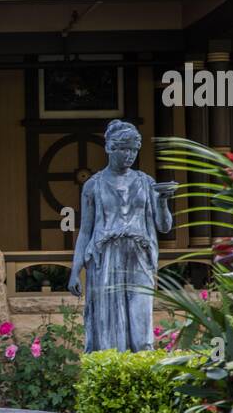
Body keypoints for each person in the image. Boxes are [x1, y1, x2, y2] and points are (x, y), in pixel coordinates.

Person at [69, 120, 176, 352]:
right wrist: (75, 271)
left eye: (134, 150)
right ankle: (111, 375)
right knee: (107, 326)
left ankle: (142, 373)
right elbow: (85, 231)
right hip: (105, 257)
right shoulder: (93, 186)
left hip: (139, 254)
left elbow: (164, 226)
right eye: (124, 149)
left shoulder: (147, 183)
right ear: (109, 148)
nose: (129, 155)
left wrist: (163, 200)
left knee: (141, 322)